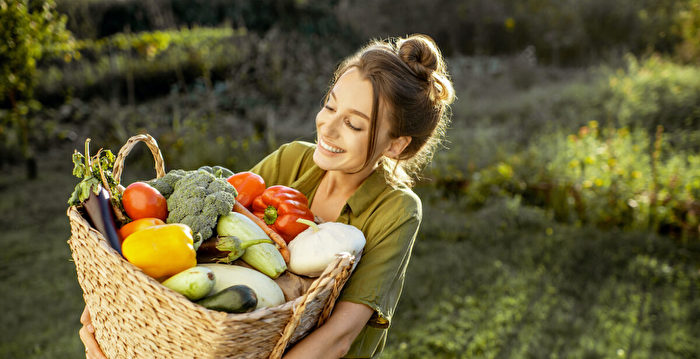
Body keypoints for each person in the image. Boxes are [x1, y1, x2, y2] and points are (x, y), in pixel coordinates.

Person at [80, 33, 455, 359]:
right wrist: (116, 311)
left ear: (396, 144)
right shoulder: (292, 159)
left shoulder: (397, 210)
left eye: (354, 124)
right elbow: (204, 237)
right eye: (330, 105)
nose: (329, 127)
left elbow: (339, 338)